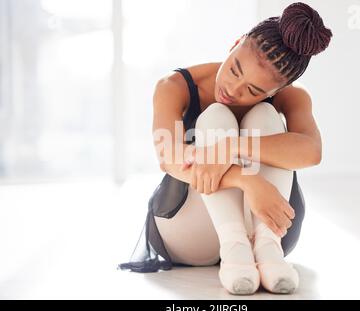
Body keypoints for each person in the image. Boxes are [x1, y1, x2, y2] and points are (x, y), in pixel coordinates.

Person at [119, 2, 332, 295]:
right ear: (234, 44)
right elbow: (169, 158)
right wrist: (246, 180)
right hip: (189, 231)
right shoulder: (174, 85)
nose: (233, 89)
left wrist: (230, 146)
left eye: (254, 91)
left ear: (278, 90)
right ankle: (234, 247)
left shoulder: (292, 98)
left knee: (265, 117)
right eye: (234, 69)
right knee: (216, 115)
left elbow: (311, 152)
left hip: (270, 229)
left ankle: (266, 248)